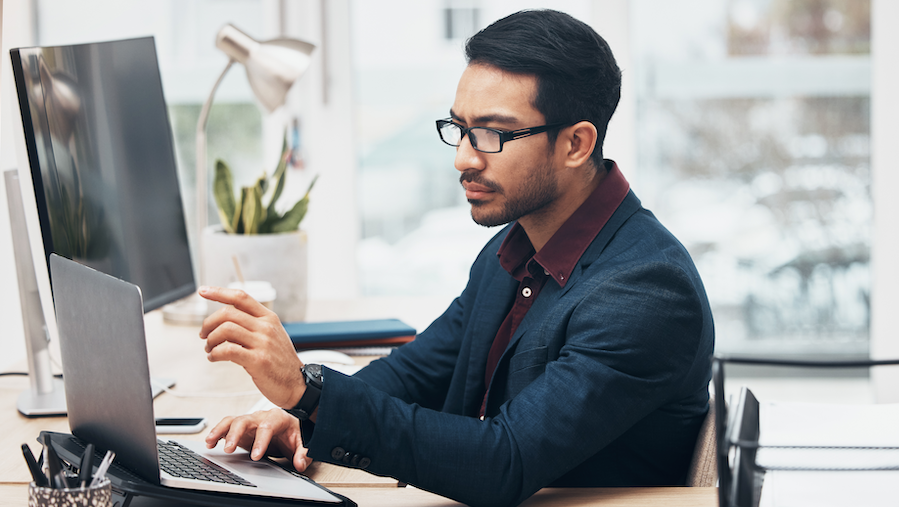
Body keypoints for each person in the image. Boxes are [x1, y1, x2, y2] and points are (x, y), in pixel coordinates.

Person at [198, 9, 714, 507]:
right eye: (460, 128)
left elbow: (503, 461)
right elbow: (417, 373)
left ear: (577, 143)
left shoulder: (647, 292)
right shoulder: (513, 248)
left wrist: (311, 395)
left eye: (492, 133)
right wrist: (301, 411)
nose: (464, 158)